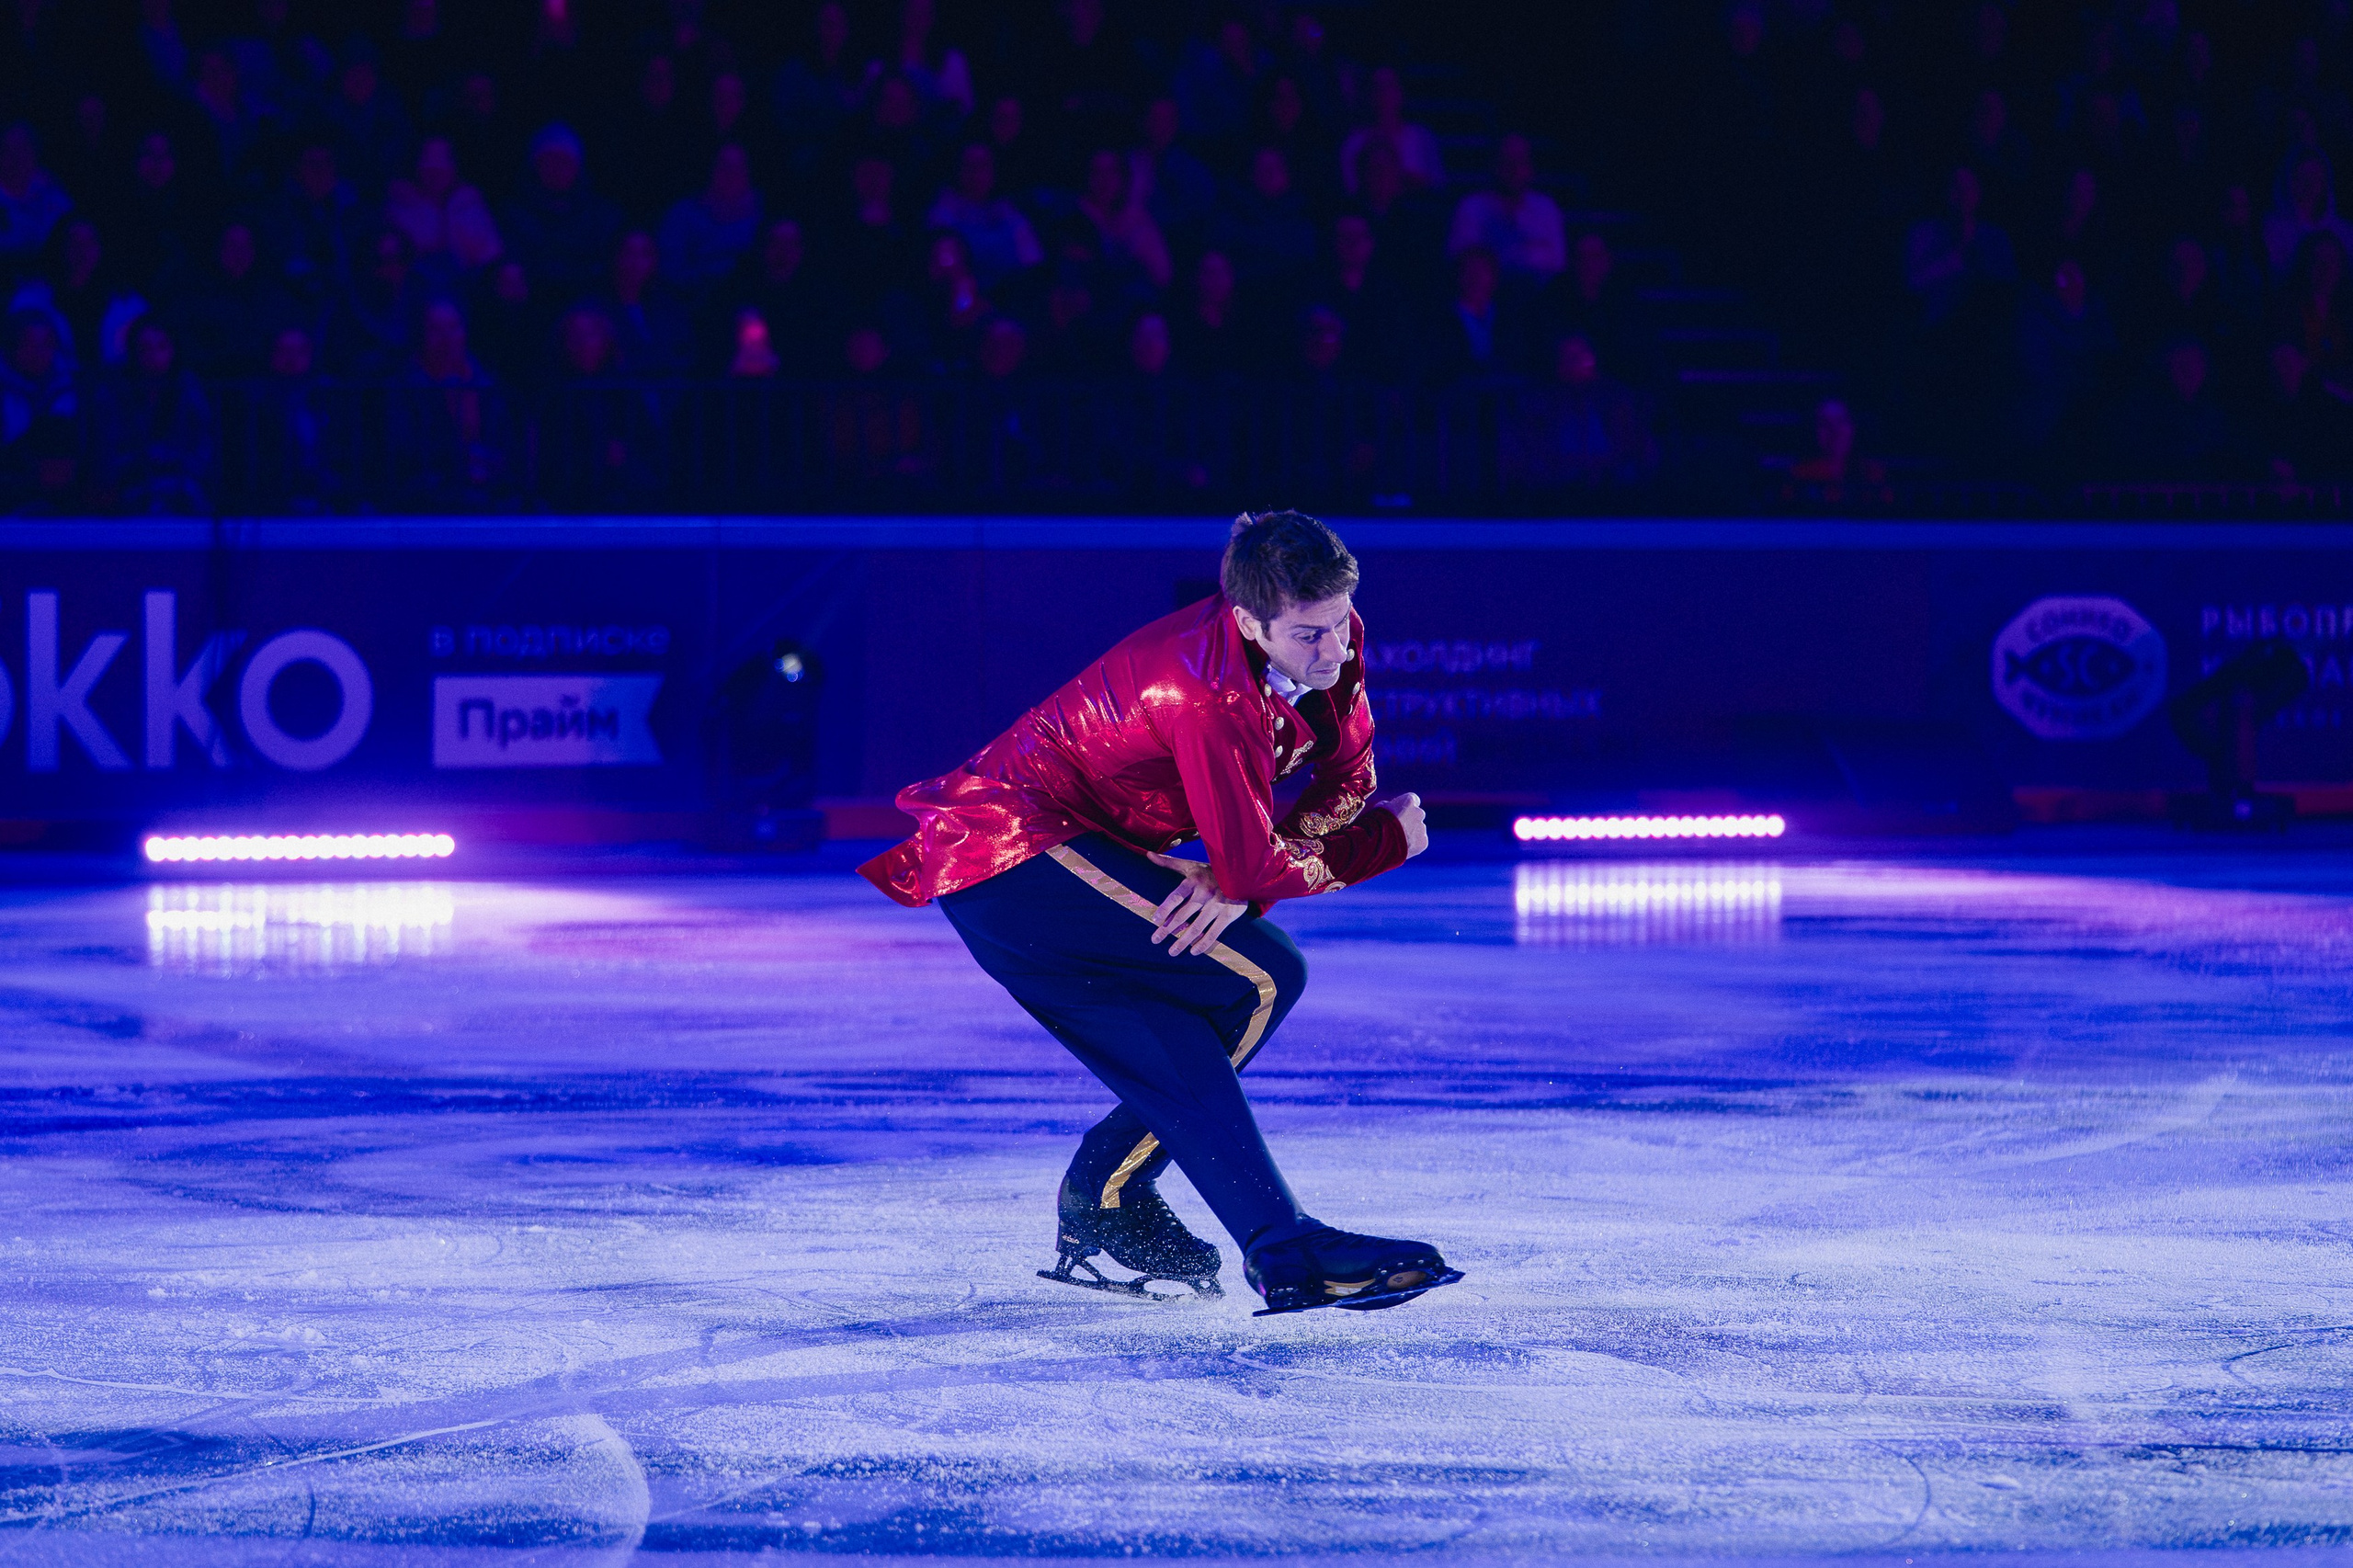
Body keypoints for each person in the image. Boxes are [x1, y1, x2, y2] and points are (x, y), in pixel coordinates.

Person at [858, 510, 1461, 1316]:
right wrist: (1384, 841)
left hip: (1083, 858)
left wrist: (1247, 865)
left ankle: (1120, 1206)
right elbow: (1273, 856)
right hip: (1010, 850)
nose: (1338, 649)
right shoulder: (1204, 690)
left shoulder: (1332, 639)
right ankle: (1256, 1238)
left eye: (1341, 625)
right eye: (1309, 636)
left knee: (1250, 983)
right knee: (1260, 974)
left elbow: (1344, 781)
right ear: (1249, 622)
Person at [1448, 134, 1566, 279]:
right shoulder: (1471, 208)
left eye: (1521, 161)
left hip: (1541, 297)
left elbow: (1559, 266)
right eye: (1507, 161)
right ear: (1493, 165)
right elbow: (1459, 268)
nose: (1515, 169)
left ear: (1531, 167)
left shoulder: (1546, 209)